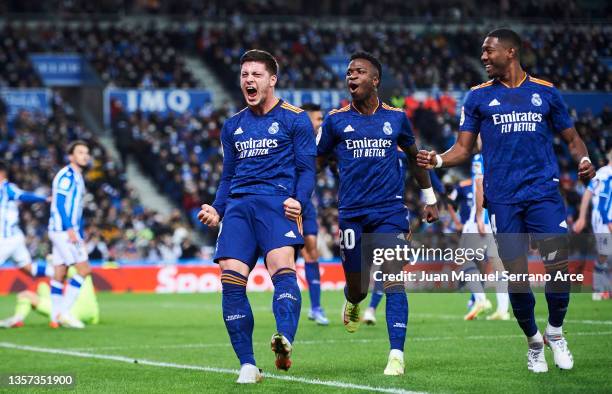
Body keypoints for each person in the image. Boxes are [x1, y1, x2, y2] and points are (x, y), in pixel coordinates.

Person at [417, 28, 596, 373]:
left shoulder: (546, 93)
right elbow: (463, 149)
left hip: (543, 193)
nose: (483, 57)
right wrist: (438, 160)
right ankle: (533, 343)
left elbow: (573, 139)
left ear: (511, 52)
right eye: (482, 52)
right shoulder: (477, 98)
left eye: (489, 51)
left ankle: (556, 333)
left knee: (558, 270)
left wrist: (584, 160)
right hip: (505, 201)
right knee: (516, 278)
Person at [197, 50, 316, 384]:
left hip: (277, 204)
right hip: (237, 208)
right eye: (244, 75)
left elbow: (307, 170)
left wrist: (299, 201)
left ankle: (284, 338)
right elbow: (227, 176)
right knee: (231, 281)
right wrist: (216, 208)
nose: (248, 80)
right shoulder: (232, 125)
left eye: (256, 75)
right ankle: (247, 364)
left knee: (282, 268)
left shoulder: (295, 118)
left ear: (272, 79)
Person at [317, 51, 438, 375]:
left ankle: (396, 354)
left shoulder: (396, 119)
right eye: (348, 73)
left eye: (358, 72)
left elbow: (414, 158)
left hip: (389, 211)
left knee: (393, 276)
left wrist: (428, 197)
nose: (351, 77)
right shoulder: (335, 120)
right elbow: (315, 161)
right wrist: (297, 198)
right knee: (358, 287)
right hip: (352, 214)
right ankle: (354, 301)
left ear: (375, 80)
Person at [48, 140, 93, 329]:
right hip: (63, 231)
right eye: (80, 152)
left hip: (62, 230)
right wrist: (71, 230)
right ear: (71, 156)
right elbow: (59, 203)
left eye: (86, 152)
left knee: (60, 272)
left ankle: (54, 316)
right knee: (83, 270)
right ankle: (64, 313)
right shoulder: (66, 176)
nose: (85, 155)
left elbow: (77, 210)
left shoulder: (77, 176)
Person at [299, 103, 329, 326]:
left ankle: (316, 307)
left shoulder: (320, 143)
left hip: (307, 205)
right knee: (284, 257)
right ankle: (283, 303)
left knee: (312, 252)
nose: (321, 123)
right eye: (318, 119)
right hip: (286, 205)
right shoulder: (290, 139)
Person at [0, 266, 99, 328]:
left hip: (73, 311)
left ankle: (17, 319)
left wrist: (23, 265)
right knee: (42, 286)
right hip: (93, 313)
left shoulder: (68, 265)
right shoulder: (83, 267)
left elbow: (51, 270)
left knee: (24, 295)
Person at [0, 161, 51, 278]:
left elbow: (23, 196)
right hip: (14, 236)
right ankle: (57, 272)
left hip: (6, 238)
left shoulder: (7, 189)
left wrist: (44, 199)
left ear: (1, 174)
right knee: (29, 268)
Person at [574, 150, 612, 300]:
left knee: (605, 254)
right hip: (603, 218)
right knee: (604, 254)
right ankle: (599, 289)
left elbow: (587, 194)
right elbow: (600, 198)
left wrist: (582, 217)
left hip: (602, 217)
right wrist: (607, 220)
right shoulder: (606, 174)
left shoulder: (601, 173)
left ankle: (603, 289)